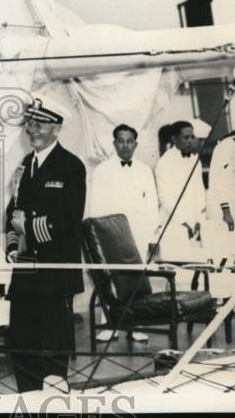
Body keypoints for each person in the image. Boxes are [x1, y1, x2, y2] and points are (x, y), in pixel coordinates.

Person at [5, 97, 86, 393]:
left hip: (56, 273)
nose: (31, 129)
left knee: (53, 353)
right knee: (22, 348)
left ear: (56, 128)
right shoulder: (25, 165)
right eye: (30, 122)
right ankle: (27, 402)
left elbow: (67, 220)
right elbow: (10, 211)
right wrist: (14, 245)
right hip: (26, 273)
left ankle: (53, 406)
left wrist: (26, 227)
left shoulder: (71, 167)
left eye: (39, 123)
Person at [87, 123, 159, 343]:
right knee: (111, 280)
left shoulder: (144, 170)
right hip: (111, 237)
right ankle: (110, 325)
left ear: (135, 144)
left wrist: (151, 238)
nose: (125, 145)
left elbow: (152, 205)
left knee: (137, 281)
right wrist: (100, 239)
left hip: (138, 233)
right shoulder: (102, 171)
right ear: (114, 143)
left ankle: (137, 325)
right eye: (121, 141)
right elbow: (95, 207)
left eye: (129, 141)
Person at [154, 120, 206, 250]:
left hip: (195, 221)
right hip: (174, 221)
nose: (190, 141)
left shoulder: (195, 160)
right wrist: (182, 222)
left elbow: (200, 191)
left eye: (192, 137)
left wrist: (200, 220)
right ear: (174, 139)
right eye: (186, 137)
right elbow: (165, 197)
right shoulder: (164, 162)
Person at [207, 119, 235, 232]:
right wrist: (226, 211)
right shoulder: (227, 146)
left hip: (232, 205)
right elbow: (217, 178)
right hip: (221, 206)